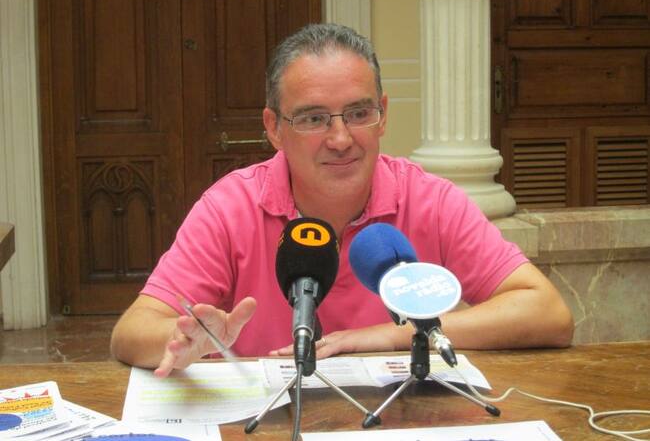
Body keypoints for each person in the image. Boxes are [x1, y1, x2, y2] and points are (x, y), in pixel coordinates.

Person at [110, 23, 574, 377]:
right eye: (313, 119)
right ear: (274, 128)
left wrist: (386, 336)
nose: (340, 139)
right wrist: (189, 339)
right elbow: (131, 333)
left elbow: (547, 313)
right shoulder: (230, 207)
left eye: (358, 113)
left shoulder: (430, 200)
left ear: (382, 114)